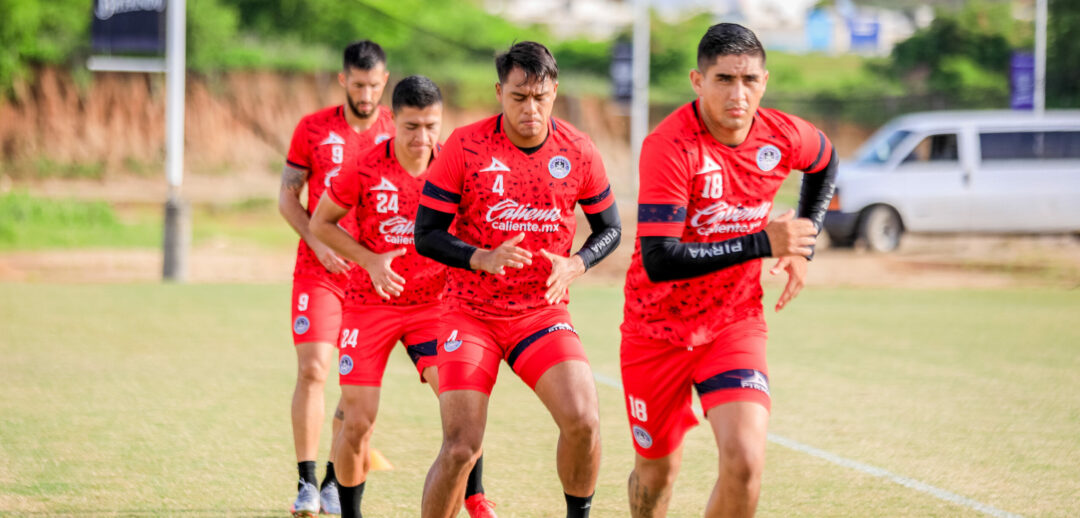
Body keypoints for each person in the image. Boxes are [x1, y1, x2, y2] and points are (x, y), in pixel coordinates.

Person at [619, 23, 837, 518]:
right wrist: (763, 242)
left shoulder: (781, 134)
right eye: (723, 79)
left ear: (765, 81)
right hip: (655, 330)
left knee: (744, 462)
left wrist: (804, 241)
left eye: (750, 80)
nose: (738, 94)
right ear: (698, 81)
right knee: (657, 475)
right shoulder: (670, 147)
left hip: (733, 323)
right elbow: (660, 259)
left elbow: (825, 161)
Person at [414, 41, 621, 518]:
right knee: (462, 446)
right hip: (469, 313)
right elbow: (426, 234)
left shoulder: (578, 150)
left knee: (585, 420)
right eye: (518, 97)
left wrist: (577, 263)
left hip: (540, 313)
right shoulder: (465, 147)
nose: (531, 109)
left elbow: (610, 228)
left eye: (541, 97)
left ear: (554, 92)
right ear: (499, 92)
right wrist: (479, 257)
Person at [309, 75, 498, 518]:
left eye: (432, 126)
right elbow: (320, 223)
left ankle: (475, 495)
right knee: (356, 421)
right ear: (393, 120)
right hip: (369, 303)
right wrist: (370, 260)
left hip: (435, 306)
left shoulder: (456, 166)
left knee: (462, 401)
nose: (423, 137)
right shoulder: (363, 165)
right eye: (412, 126)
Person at [279, 40, 394, 517]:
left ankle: (332, 481)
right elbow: (288, 197)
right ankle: (306, 484)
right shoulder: (313, 129)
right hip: (318, 271)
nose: (366, 94)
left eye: (374, 85)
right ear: (344, 80)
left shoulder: (398, 130)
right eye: (358, 84)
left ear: (384, 81)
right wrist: (318, 241)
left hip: (371, 282)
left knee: (354, 387)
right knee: (313, 371)